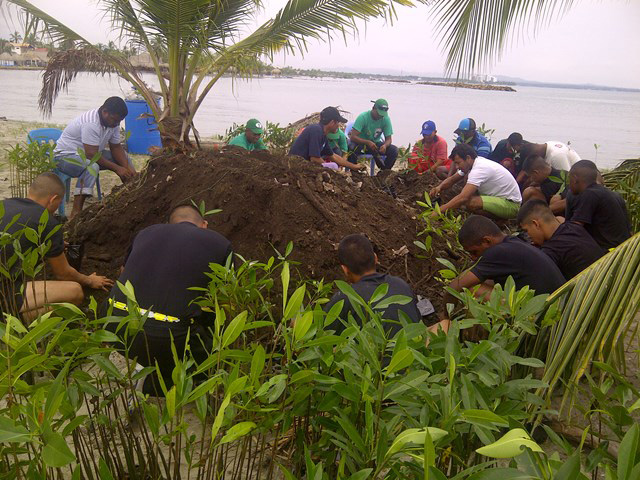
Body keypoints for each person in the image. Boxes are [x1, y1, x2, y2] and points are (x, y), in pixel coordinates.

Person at [107, 204, 232, 395]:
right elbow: (226, 296)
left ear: (168, 224)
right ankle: (167, 382)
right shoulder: (220, 243)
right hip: (170, 338)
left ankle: (142, 369)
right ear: (204, 224)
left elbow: (123, 273)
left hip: (115, 328)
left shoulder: (145, 233)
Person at [0, 173, 113, 319]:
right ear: (53, 199)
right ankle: (10, 323)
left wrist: (52, 245)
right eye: (59, 203)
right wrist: (90, 280)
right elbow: (63, 274)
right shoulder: (46, 220)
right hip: (4, 292)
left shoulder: (5, 204)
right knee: (75, 292)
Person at [54, 97, 137, 218]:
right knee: (91, 167)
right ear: (105, 112)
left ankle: (134, 189)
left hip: (88, 154)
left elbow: (116, 147)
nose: (116, 124)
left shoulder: (113, 122)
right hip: (65, 157)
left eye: (119, 121)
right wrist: (117, 169)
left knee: (124, 157)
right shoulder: (91, 123)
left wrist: (125, 168)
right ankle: (76, 212)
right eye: (114, 120)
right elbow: (91, 154)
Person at [324, 234, 421, 336]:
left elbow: (322, 339)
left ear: (345, 269)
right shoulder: (401, 285)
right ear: (375, 258)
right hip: (413, 349)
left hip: (378, 351)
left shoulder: (345, 298)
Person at [429, 143, 522, 219]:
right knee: (465, 197)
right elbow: (452, 179)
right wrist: (439, 187)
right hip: (498, 199)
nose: (457, 167)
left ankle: (499, 221)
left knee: (470, 202)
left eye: (458, 163)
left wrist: (439, 211)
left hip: (511, 205)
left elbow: (463, 198)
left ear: (468, 158)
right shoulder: (473, 164)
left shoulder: (479, 169)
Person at [517, 200, 605, 279]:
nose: (528, 235)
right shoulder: (574, 227)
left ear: (536, 224)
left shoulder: (551, 251)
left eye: (526, 231)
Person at [565, 160, 631, 250]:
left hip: (607, 253)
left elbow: (574, 228)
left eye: (569, 179)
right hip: (623, 249)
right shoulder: (614, 194)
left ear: (575, 179)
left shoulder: (589, 194)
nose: (569, 184)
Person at [289, 107, 365, 171]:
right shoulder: (316, 130)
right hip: (296, 166)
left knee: (334, 164)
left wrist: (354, 166)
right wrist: (331, 169)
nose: (338, 125)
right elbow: (314, 159)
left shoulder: (323, 135)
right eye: (338, 122)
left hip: (304, 165)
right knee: (334, 166)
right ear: (332, 122)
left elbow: (333, 156)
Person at [348, 99, 398, 170]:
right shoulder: (363, 117)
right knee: (351, 147)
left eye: (382, 115)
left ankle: (384, 172)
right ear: (373, 108)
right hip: (359, 143)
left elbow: (388, 139)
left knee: (394, 150)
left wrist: (385, 145)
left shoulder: (386, 119)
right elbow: (353, 137)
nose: (380, 116)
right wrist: (367, 142)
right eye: (378, 114)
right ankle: (354, 171)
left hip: (375, 144)